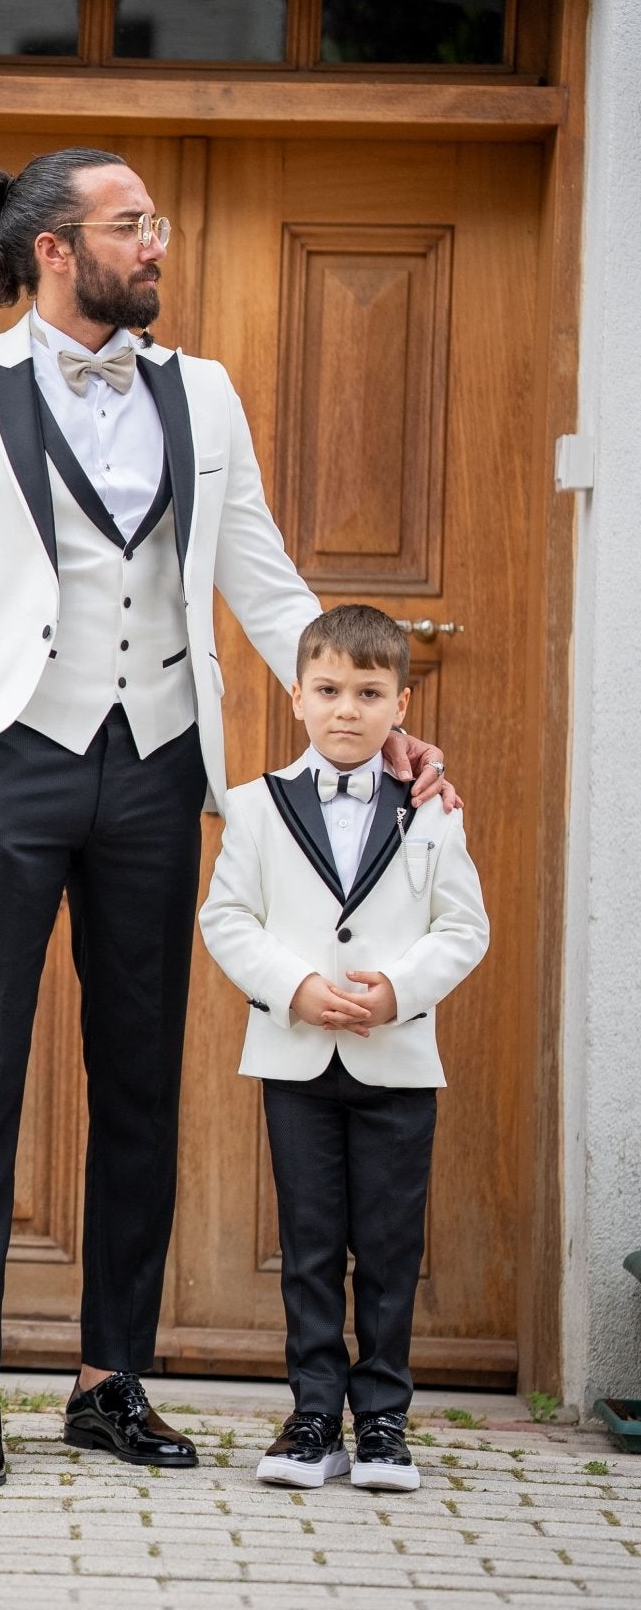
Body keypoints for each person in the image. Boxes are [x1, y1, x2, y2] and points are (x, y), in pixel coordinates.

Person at [0, 149, 455, 1491]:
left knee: (137, 1079)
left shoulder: (205, 393)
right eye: (135, 227)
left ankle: (109, 1377)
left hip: (162, 766)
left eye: (157, 225)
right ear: (58, 248)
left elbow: (265, 577)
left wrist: (374, 722)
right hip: (4, 760)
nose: (160, 244)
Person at [199, 604, 489, 1493]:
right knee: (312, 1242)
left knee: (392, 1247)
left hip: (396, 1063)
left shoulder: (432, 811)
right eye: (328, 690)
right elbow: (227, 919)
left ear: (402, 704)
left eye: (369, 693)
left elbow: (463, 927)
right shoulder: (254, 808)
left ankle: (386, 1421)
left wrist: (396, 992)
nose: (347, 710)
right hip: (296, 1059)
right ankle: (314, 1416)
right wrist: (295, 986)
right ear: (297, 696)